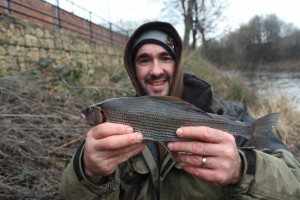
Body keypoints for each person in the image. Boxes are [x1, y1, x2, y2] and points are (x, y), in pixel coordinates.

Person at [59, 21, 300, 199]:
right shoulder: (109, 134)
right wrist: (89, 173)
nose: (155, 70)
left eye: (165, 57)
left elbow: (295, 183)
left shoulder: (233, 113)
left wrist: (241, 169)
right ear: (133, 69)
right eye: (144, 60)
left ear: (178, 63)